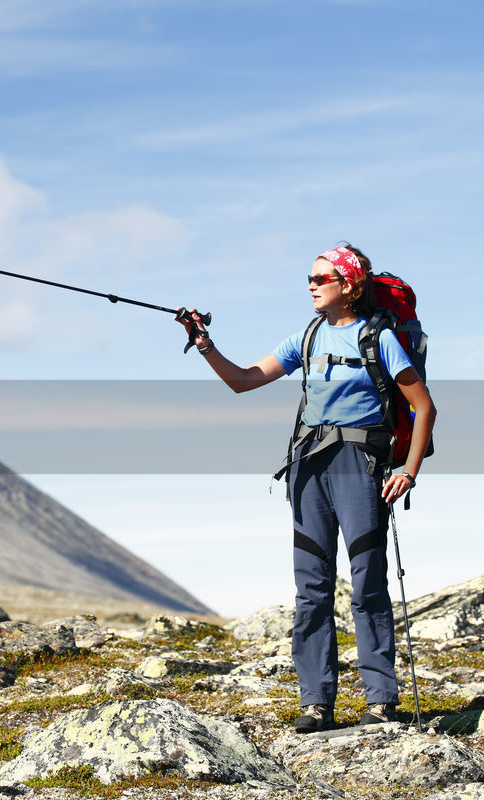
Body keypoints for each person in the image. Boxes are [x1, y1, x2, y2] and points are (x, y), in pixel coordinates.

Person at [176, 244, 436, 733]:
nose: (312, 285)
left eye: (321, 277)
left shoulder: (377, 337)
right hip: (308, 468)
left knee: (367, 584)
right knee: (310, 589)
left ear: (349, 284)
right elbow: (244, 380)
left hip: (360, 465)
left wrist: (409, 470)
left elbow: (424, 407)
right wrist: (205, 344)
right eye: (310, 278)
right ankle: (316, 702)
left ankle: (380, 701)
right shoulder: (308, 336)